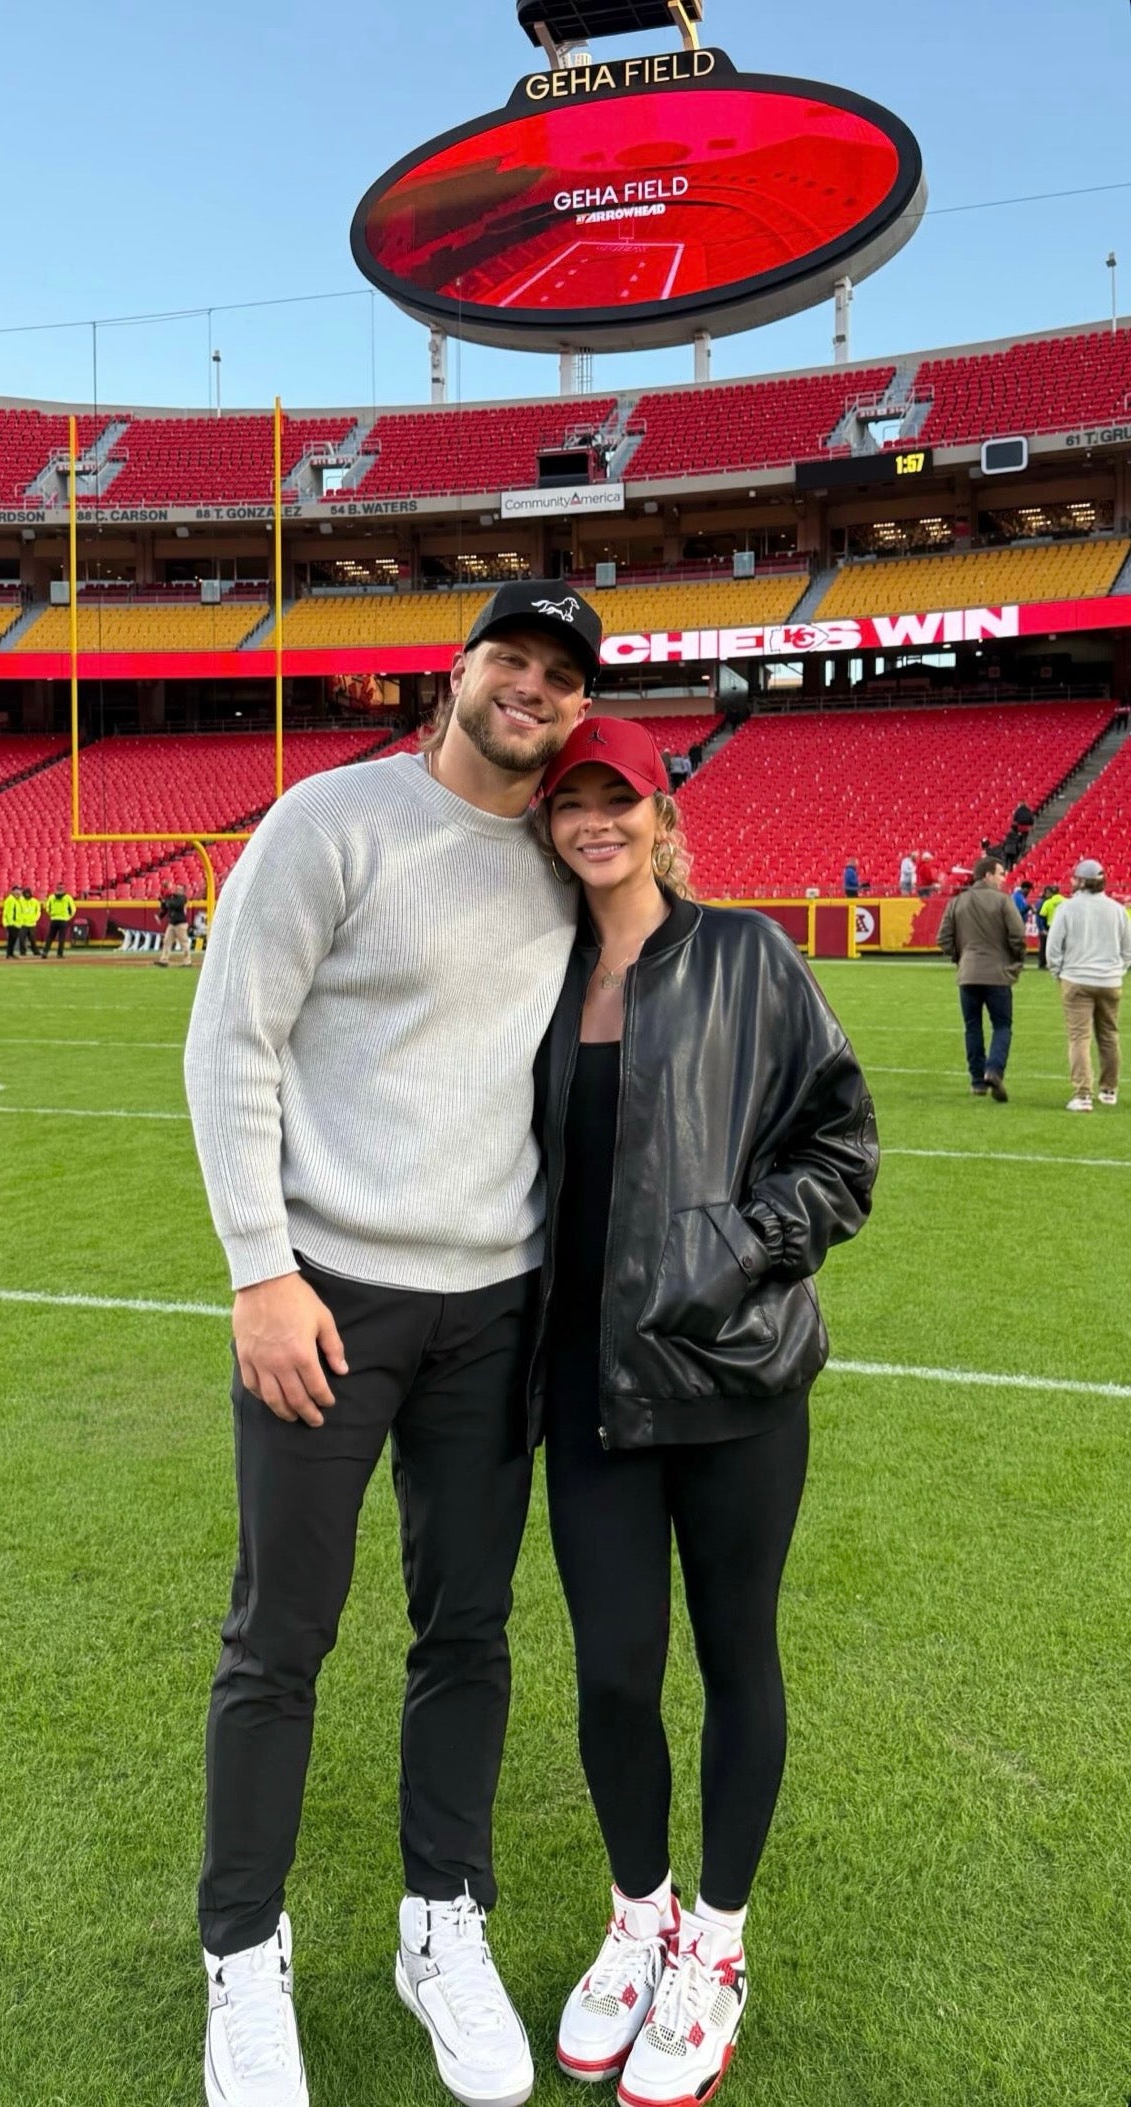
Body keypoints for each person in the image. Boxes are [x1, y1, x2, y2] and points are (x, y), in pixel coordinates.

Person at [183, 579, 602, 2107]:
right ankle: (241, 1949)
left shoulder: (567, 855)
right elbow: (233, 1033)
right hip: (329, 1299)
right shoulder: (328, 819)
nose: (532, 688)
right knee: (279, 1635)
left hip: (498, 1305)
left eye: (562, 674)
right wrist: (259, 1269)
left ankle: (444, 1920)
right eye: (514, 657)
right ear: (460, 665)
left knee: (469, 1628)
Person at [528, 717, 877, 2107]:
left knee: (739, 1656)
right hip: (585, 1382)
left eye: (621, 796)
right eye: (574, 800)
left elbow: (841, 1144)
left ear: (662, 811)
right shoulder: (534, 974)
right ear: (550, 823)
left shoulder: (748, 954)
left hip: (734, 1377)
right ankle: (639, 1915)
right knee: (614, 1666)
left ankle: (714, 1944)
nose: (598, 820)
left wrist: (727, 1249)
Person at [1045, 857, 1131, 1111]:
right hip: (1110, 980)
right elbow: (1128, 949)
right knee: (1109, 1036)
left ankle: (1083, 1094)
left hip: (1076, 978)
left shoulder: (1067, 909)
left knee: (1079, 1037)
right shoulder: (1116, 909)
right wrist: (1118, 971)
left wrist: (1058, 973)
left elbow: (1053, 948)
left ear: (1081, 881)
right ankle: (1109, 1090)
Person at [938, 856, 1026, 1100]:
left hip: (968, 974)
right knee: (1002, 1026)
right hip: (997, 974)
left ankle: (977, 1081)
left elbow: (943, 938)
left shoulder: (957, 902)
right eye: (999, 873)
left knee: (972, 1027)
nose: (1002, 878)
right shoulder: (1002, 901)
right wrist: (1015, 960)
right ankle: (994, 1070)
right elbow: (1018, 935)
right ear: (987, 875)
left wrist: (961, 957)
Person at [155, 888, 193, 967]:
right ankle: (164, 960)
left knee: (184, 943)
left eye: (178, 889)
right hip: (172, 923)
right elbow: (166, 907)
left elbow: (175, 905)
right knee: (166, 941)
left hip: (180, 923)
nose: (176, 890)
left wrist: (165, 901)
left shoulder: (182, 898)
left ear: (182, 891)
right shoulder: (172, 898)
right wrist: (162, 902)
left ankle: (187, 961)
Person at [42, 882, 76, 959]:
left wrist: (51, 915)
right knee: (61, 938)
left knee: (50, 937)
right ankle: (59, 954)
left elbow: (47, 908)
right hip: (63, 920)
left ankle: (45, 952)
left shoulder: (51, 897)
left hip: (54, 919)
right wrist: (68, 917)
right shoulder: (67, 897)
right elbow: (73, 909)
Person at [1035, 881, 1063, 970]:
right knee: (1058, 946)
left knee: (1045, 946)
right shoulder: (1065, 900)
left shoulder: (1046, 902)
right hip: (1060, 926)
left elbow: (1040, 915)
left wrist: (1041, 928)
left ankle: (1044, 964)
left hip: (1049, 926)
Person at [17, 887, 42, 956]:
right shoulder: (20, 901)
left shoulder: (35, 902)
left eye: (28, 894)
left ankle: (35, 951)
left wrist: (35, 919)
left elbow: (38, 912)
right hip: (22, 924)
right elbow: (17, 911)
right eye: (26, 894)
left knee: (33, 939)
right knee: (22, 939)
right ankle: (23, 952)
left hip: (32, 924)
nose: (27, 895)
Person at [1, 884, 22, 959]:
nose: (18, 892)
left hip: (17, 923)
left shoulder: (17, 900)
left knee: (12, 939)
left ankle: (10, 953)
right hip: (12, 923)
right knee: (12, 939)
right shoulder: (10, 900)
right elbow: (9, 912)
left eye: (19, 890)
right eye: (17, 890)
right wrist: (10, 922)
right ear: (13, 891)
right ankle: (9, 953)